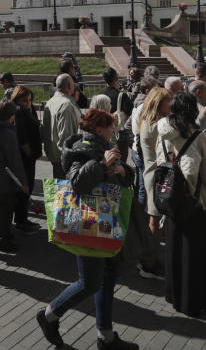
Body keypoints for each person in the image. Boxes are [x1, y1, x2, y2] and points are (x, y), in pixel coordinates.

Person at [36, 109, 138, 350]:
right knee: (89, 283)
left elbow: (127, 176)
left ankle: (106, 335)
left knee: (108, 278)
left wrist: (123, 171)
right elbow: (78, 183)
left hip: (109, 222)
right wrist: (102, 165)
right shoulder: (80, 150)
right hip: (88, 223)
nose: (113, 130)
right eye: (110, 126)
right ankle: (49, 315)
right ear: (98, 128)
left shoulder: (107, 145)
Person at [157, 93, 206, 318]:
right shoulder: (199, 137)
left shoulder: (164, 134)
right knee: (197, 255)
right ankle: (196, 300)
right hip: (195, 202)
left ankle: (175, 295)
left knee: (174, 252)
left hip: (172, 202)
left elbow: (161, 165)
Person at [134, 86, 172, 279]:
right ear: (159, 103)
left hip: (151, 174)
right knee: (154, 221)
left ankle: (149, 258)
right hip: (157, 176)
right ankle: (148, 262)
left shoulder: (146, 120)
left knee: (154, 219)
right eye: (168, 100)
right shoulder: (159, 124)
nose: (171, 103)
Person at [0, 100, 28, 253]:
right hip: (6, 179)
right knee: (6, 211)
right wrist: (23, 182)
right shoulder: (8, 133)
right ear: (11, 116)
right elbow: (15, 161)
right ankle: (2, 240)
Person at [10, 85, 42, 234]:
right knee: (24, 187)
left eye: (29, 100)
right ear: (17, 100)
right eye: (24, 100)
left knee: (27, 187)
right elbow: (22, 137)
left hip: (31, 156)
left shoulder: (29, 110)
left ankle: (23, 218)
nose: (28, 103)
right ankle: (21, 221)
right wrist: (29, 153)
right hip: (25, 158)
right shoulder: (19, 112)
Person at [42, 74, 82, 179]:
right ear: (69, 86)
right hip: (65, 161)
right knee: (66, 193)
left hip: (55, 157)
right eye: (73, 84)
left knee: (60, 192)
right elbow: (67, 138)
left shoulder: (50, 102)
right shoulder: (66, 105)